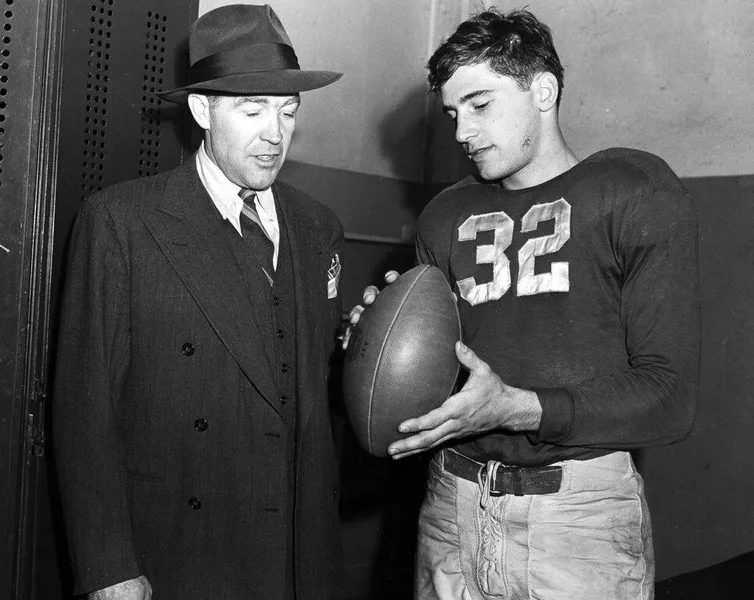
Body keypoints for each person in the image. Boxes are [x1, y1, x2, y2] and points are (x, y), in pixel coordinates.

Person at [349, 8, 700, 599]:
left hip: (577, 518)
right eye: (454, 113)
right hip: (450, 507)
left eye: (481, 104)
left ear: (543, 89)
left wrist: (517, 407)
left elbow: (669, 399)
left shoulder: (632, 189)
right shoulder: (444, 215)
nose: (462, 132)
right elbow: (439, 377)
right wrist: (373, 346)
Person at [53, 5, 345, 599]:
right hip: (181, 553)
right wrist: (109, 567)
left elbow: (317, 394)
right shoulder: (121, 223)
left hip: (297, 554)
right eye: (252, 109)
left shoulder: (319, 228)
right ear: (200, 110)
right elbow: (85, 409)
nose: (274, 134)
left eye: (288, 112)